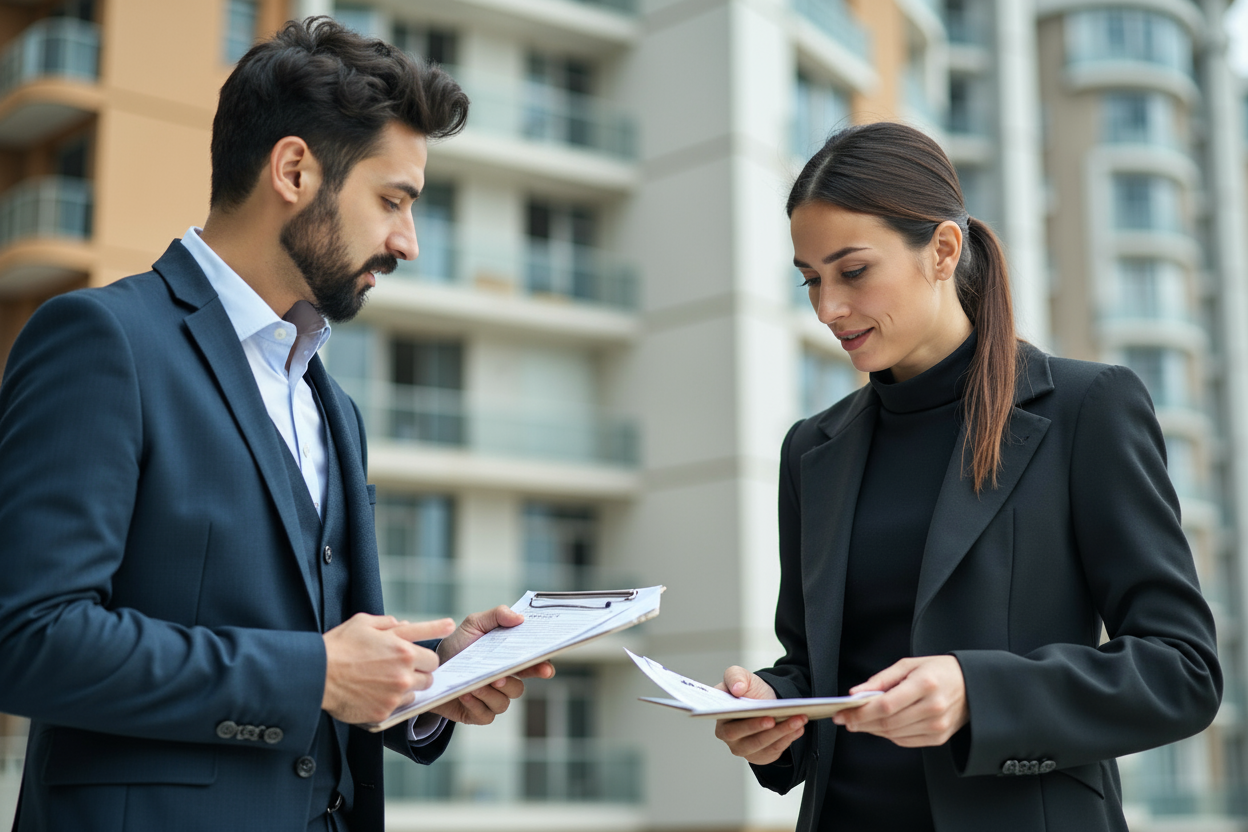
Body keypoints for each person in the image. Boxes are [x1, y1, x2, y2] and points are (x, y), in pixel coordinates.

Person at [0, 18, 552, 832]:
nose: (408, 242)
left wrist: (432, 674)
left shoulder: (333, 402)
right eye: (392, 200)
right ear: (293, 169)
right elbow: (29, 638)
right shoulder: (103, 340)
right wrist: (313, 675)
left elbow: (315, 644)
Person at [712, 122, 1222, 831]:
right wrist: (770, 710)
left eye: (853, 271)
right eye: (811, 280)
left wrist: (978, 693)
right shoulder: (810, 450)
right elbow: (813, 668)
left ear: (944, 250)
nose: (828, 308)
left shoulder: (1087, 409)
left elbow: (1183, 672)